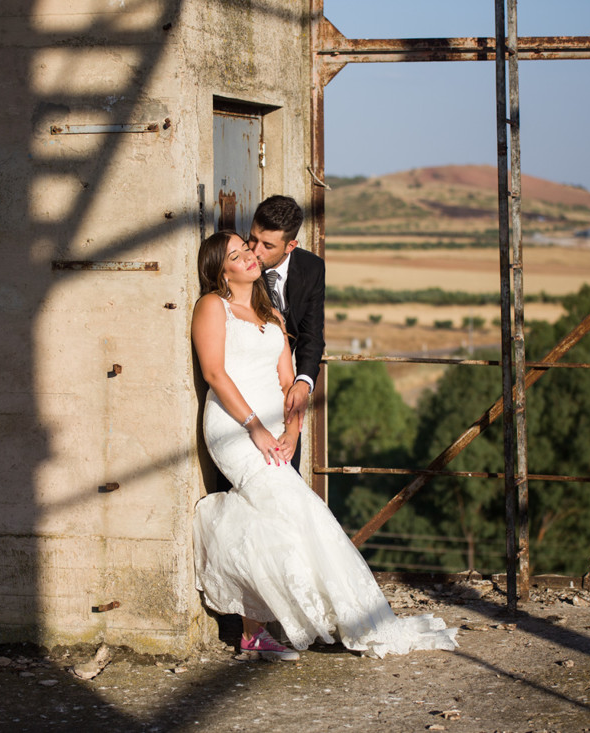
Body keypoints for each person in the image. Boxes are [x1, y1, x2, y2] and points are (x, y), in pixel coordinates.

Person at [191, 230, 458, 660]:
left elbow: (287, 383)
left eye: (248, 250)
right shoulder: (211, 307)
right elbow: (215, 374)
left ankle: (257, 631)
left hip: (277, 429)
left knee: (277, 515)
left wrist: (293, 430)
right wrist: (256, 427)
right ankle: (286, 623)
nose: (250, 258)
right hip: (234, 428)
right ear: (220, 271)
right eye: (237, 256)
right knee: (288, 508)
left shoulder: (272, 314)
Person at [247, 195, 324, 471]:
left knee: (289, 474)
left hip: (286, 390)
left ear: (291, 246)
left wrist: (303, 384)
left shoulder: (312, 269)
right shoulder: (239, 265)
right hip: (248, 390)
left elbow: (312, 336)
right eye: (252, 238)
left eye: (267, 245)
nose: (254, 251)